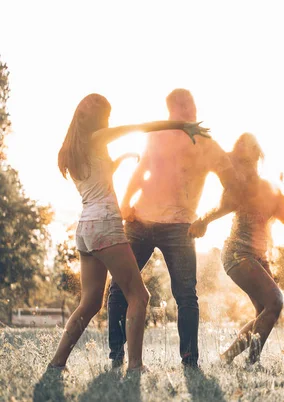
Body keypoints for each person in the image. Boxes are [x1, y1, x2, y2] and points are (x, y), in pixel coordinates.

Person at [51, 93, 206, 371]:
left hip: (85, 227)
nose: (109, 121)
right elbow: (140, 127)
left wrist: (120, 160)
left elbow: (97, 178)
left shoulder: (70, 150)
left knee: (89, 303)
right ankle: (135, 365)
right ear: (101, 118)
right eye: (107, 116)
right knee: (139, 296)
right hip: (106, 224)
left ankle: (57, 362)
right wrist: (180, 126)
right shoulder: (98, 137)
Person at [107, 89, 240, 369]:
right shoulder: (156, 135)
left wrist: (206, 219)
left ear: (194, 106)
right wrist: (125, 204)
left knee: (186, 295)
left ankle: (189, 361)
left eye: (189, 105)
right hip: (140, 222)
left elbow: (233, 188)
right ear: (169, 111)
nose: (185, 111)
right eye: (178, 107)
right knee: (119, 287)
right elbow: (142, 170)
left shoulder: (206, 144)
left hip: (181, 227)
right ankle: (117, 355)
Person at [188, 133, 284, 365]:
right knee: (275, 302)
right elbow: (224, 207)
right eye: (244, 161)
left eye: (253, 160)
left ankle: (226, 357)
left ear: (258, 158)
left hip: (258, 256)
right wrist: (203, 221)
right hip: (238, 254)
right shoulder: (238, 185)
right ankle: (252, 363)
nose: (249, 165)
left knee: (265, 312)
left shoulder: (266, 187)